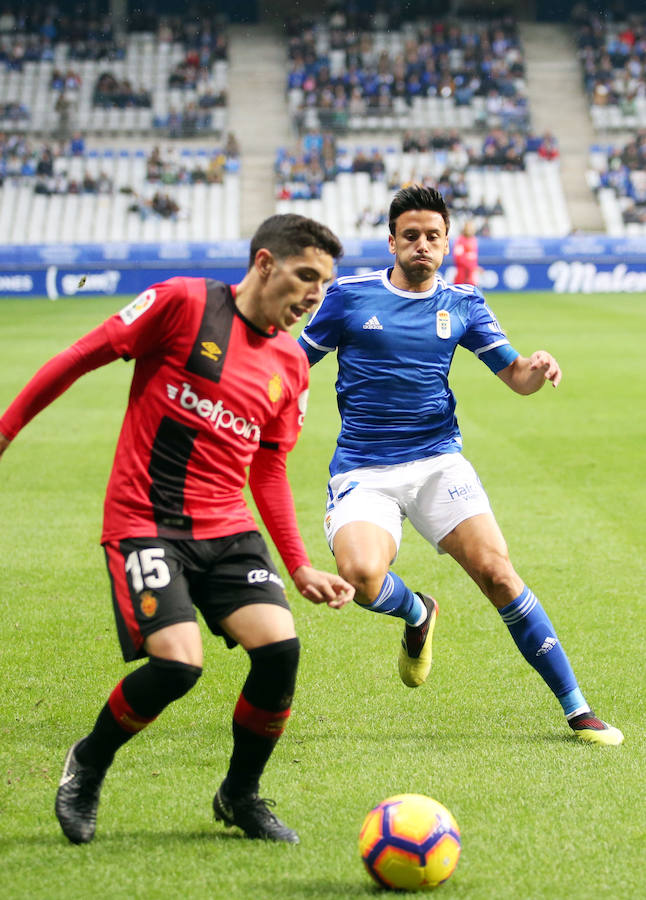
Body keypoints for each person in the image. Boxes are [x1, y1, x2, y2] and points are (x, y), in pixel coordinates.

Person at [0, 214, 355, 846]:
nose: (312, 297)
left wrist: (298, 564)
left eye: (323, 287)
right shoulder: (183, 304)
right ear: (264, 263)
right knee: (177, 664)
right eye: (306, 277)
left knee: (279, 650)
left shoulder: (290, 367)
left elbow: (268, 469)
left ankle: (239, 795)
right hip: (146, 520)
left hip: (228, 528)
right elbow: (80, 357)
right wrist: (4, 432)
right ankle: (89, 761)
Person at [297, 184, 623, 747]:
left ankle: (578, 709)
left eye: (433, 236)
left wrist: (536, 366)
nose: (422, 245)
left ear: (446, 241)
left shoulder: (464, 304)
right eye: (411, 236)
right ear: (391, 241)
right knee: (361, 577)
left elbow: (516, 378)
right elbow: (294, 362)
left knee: (498, 574)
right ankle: (417, 611)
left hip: (438, 463)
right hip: (363, 470)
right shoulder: (349, 297)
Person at [452, 219, 479, 285]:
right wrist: (469, 265)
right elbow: (458, 258)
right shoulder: (460, 241)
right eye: (468, 228)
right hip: (462, 274)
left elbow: (474, 257)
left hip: (471, 274)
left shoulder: (473, 240)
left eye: (471, 228)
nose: (470, 230)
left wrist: (475, 267)